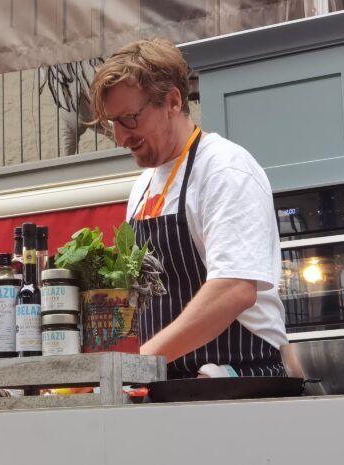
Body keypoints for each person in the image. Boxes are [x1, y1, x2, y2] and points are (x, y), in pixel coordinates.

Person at [90, 39, 287, 378]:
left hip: (237, 378)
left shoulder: (224, 169)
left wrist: (138, 361)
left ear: (172, 101)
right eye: (113, 123)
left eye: (129, 119)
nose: (120, 137)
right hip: (167, 382)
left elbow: (234, 288)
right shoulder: (142, 187)